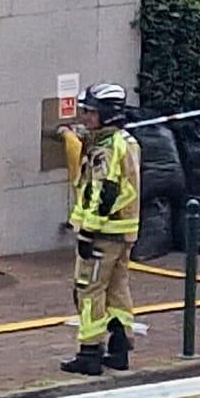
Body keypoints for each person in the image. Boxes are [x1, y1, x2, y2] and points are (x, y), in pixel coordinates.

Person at [61, 83, 142, 377]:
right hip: (123, 232)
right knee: (117, 289)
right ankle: (119, 349)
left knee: (88, 289)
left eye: (90, 112)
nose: (85, 117)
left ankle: (89, 352)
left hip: (103, 234)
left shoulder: (107, 147)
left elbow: (103, 192)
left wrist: (87, 231)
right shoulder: (126, 142)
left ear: (107, 114)